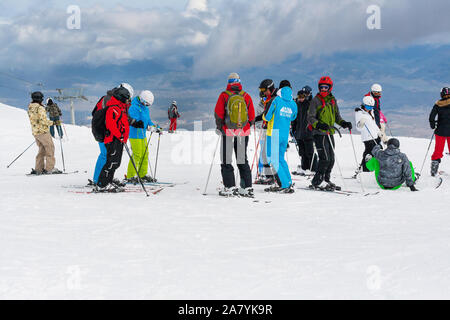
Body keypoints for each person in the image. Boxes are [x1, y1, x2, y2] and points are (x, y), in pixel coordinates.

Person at [307, 76, 352, 190]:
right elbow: (310, 118)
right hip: (319, 133)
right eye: (321, 87)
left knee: (331, 159)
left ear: (330, 88)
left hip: (330, 132)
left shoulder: (332, 100)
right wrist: (319, 124)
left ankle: (326, 179)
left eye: (325, 87)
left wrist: (344, 123)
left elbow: (337, 116)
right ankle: (317, 181)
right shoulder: (315, 100)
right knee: (324, 158)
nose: (323, 90)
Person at [214, 72, 255, 197]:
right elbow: (252, 117)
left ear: (229, 82)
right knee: (242, 159)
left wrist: (220, 127)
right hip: (243, 133)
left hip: (228, 132)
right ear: (239, 82)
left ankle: (230, 187)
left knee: (226, 160)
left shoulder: (224, 95)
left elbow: (218, 114)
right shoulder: (246, 96)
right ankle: (247, 187)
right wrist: (246, 127)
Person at [91, 83, 134, 186]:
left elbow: (123, 116)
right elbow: (106, 116)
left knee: (109, 157)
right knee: (105, 155)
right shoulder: (107, 99)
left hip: (112, 133)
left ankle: (106, 179)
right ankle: (98, 180)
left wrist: (133, 122)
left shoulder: (119, 100)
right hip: (104, 132)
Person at [263, 80, 298, 193]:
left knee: (273, 159)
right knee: (280, 159)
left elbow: (267, 117)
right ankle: (288, 182)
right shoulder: (293, 103)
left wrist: (264, 117)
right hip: (284, 134)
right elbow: (293, 117)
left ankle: (283, 184)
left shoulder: (276, 100)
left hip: (274, 133)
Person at [126, 90, 160, 183]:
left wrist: (155, 127)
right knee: (137, 155)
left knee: (145, 155)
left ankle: (142, 174)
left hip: (142, 135)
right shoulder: (134, 107)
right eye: (145, 103)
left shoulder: (145, 108)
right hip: (134, 135)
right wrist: (137, 123)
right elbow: (132, 121)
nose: (146, 105)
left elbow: (148, 121)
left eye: (148, 104)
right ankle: (130, 176)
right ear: (141, 99)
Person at [27, 92, 61, 175]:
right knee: (50, 148)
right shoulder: (40, 108)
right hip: (43, 132)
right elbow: (43, 121)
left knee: (42, 150)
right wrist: (54, 122)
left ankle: (39, 168)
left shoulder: (30, 107)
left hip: (36, 132)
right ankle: (50, 168)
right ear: (40, 99)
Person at [254, 79, 277, 185]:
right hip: (268, 130)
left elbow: (267, 116)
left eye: (264, 90)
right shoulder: (269, 100)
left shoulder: (274, 99)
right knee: (266, 154)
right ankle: (270, 176)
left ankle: (274, 176)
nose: (263, 93)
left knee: (270, 155)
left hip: (272, 131)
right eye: (261, 91)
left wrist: (260, 120)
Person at [291, 85, 317, 175]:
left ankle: (313, 169)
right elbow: (294, 118)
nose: (304, 96)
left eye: (306, 94)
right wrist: (293, 129)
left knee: (310, 151)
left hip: (309, 132)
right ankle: (304, 168)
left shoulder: (311, 104)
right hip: (299, 132)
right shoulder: (297, 104)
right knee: (302, 152)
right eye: (302, 95)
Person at [355, 95, 382, 171]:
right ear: (363, 105)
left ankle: (369, 167)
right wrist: (361, 124)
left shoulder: (371, 112)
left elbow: (373, 124)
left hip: (375, 136)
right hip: (367, 137)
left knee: (375, 152)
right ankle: (365, 169)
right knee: (369, 153)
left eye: (371, 107)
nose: (369, 109)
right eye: (368, 107)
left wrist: (379, 132)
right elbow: (358, 128)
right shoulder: (359, 113)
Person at [429, 87, 450, 176]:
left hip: (440, 130)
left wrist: (433, 125)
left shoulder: (438, 104)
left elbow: (431, 117)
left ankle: (434, 171)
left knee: (438, 151)